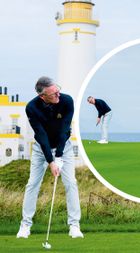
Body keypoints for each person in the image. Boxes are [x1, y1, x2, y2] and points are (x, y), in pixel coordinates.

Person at [17, 76, 83, 239]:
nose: (58, 95)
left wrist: (59, 156)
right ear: (42, 96)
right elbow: (41, 135)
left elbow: (64, 130)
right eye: (54, 93)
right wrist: (51, 161)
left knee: (71, 183)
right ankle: (25, 225)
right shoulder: (32, 107)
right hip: (41, 149)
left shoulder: (67, 101)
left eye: (58, 90)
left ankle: (74, 225)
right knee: (32, 184)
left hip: (64, 147)